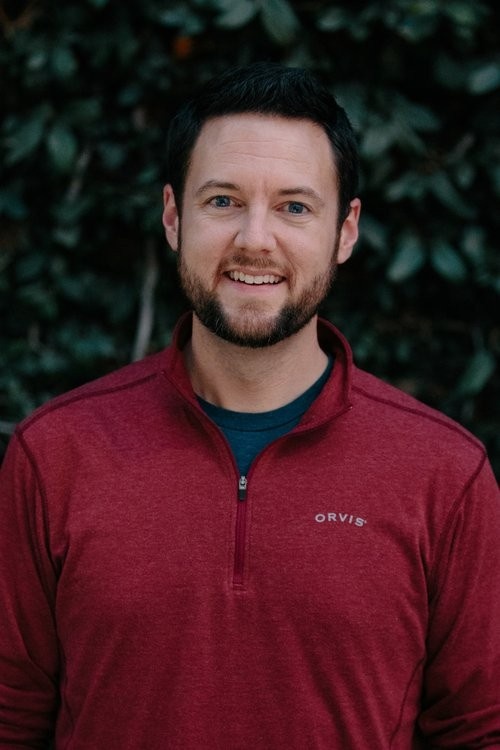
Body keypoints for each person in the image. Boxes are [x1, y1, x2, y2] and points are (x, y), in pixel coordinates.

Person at [1, 62, 499, 749]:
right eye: (223, 201)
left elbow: (481, 730)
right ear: (173, 217)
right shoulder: (56, 454)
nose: (255, 239)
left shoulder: (444, 474)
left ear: (346, 230)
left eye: (294, 207)